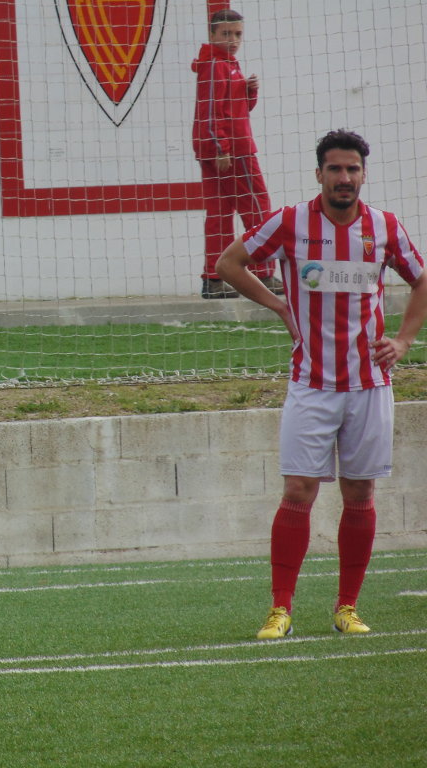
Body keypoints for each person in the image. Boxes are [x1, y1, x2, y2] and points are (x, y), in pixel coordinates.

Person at [216, 130, 427, 639]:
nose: (344, 178)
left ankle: (346, 607)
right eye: (335, 169)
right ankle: (280, 609)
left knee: (360, 492)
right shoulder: (290, 222)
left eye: (352, 169)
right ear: (319, 174)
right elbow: (228, 263)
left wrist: (403, 340)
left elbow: (422, 279)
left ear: (363, 175)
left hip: (369, 384)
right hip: (311, 383)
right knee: (298, 490)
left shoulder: (384, 227)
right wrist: (278, 304)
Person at [192, 9, 281, 299]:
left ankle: (213, 279)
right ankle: (262, 273)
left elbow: (235, 109)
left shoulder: (224, 65)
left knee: (219, 213)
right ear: (212, 35)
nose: (233, 40)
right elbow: (210, 111)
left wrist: (248, 92)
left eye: (238, 34)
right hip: (234, 150)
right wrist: (222, 148)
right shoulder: (216, 65)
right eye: (226, 34)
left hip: (221, 149)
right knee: (257, 207)